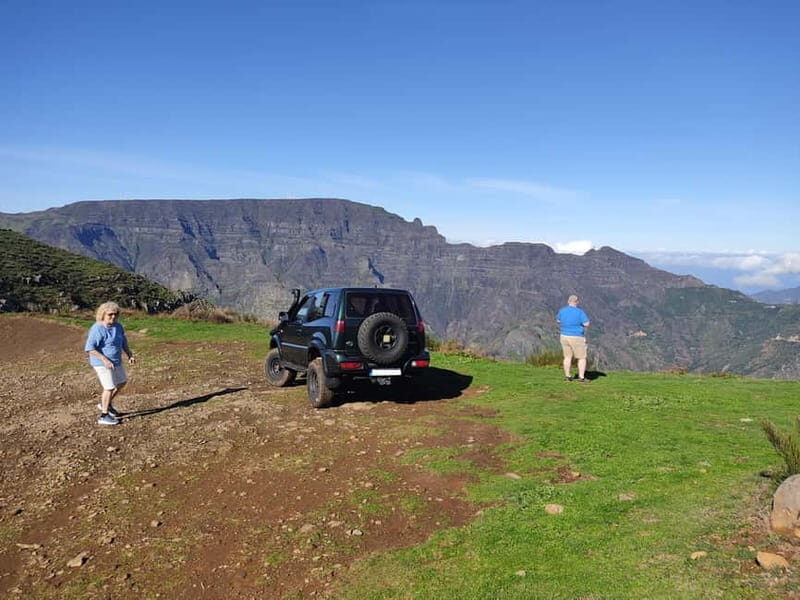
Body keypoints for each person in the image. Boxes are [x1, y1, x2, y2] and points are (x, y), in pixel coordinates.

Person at [85, 301, 136, 425]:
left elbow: (123, 341)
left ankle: (105, 404)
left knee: (122, 382)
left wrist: (130, 354)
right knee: (109, 387)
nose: (113, 317)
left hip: (116, 361)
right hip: (101, 363)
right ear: (103, 314)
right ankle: (104, 415)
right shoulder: (97, 329)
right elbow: (90, 348)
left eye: (116, 314)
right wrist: (105, 360)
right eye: (110, 314)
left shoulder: (118, 326)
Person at [556, 294, 590, 382]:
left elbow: (558, 320)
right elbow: (586, 323)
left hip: (564, 336)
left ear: (568, 302)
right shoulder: (579, 312)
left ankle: (567, 376)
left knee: (567, 357)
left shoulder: (562, 311)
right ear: (577, 302)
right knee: (581, 357)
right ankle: (581, 377)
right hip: (576, 336)